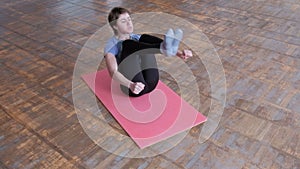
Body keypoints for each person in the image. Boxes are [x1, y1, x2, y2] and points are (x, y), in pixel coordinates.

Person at [104, 7, 191, 97]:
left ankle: (165, 48)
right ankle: (162, 48)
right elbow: (113, 72)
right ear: (114, 25)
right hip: (133, 88)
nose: (129, 23)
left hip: (151, 82)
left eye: (129, 19)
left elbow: (146, 42)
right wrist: (131, 85)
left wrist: (179, 53)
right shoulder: (111, 45)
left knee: (144, 38)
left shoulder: (136, 37)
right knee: (127, 44)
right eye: (123, 21)